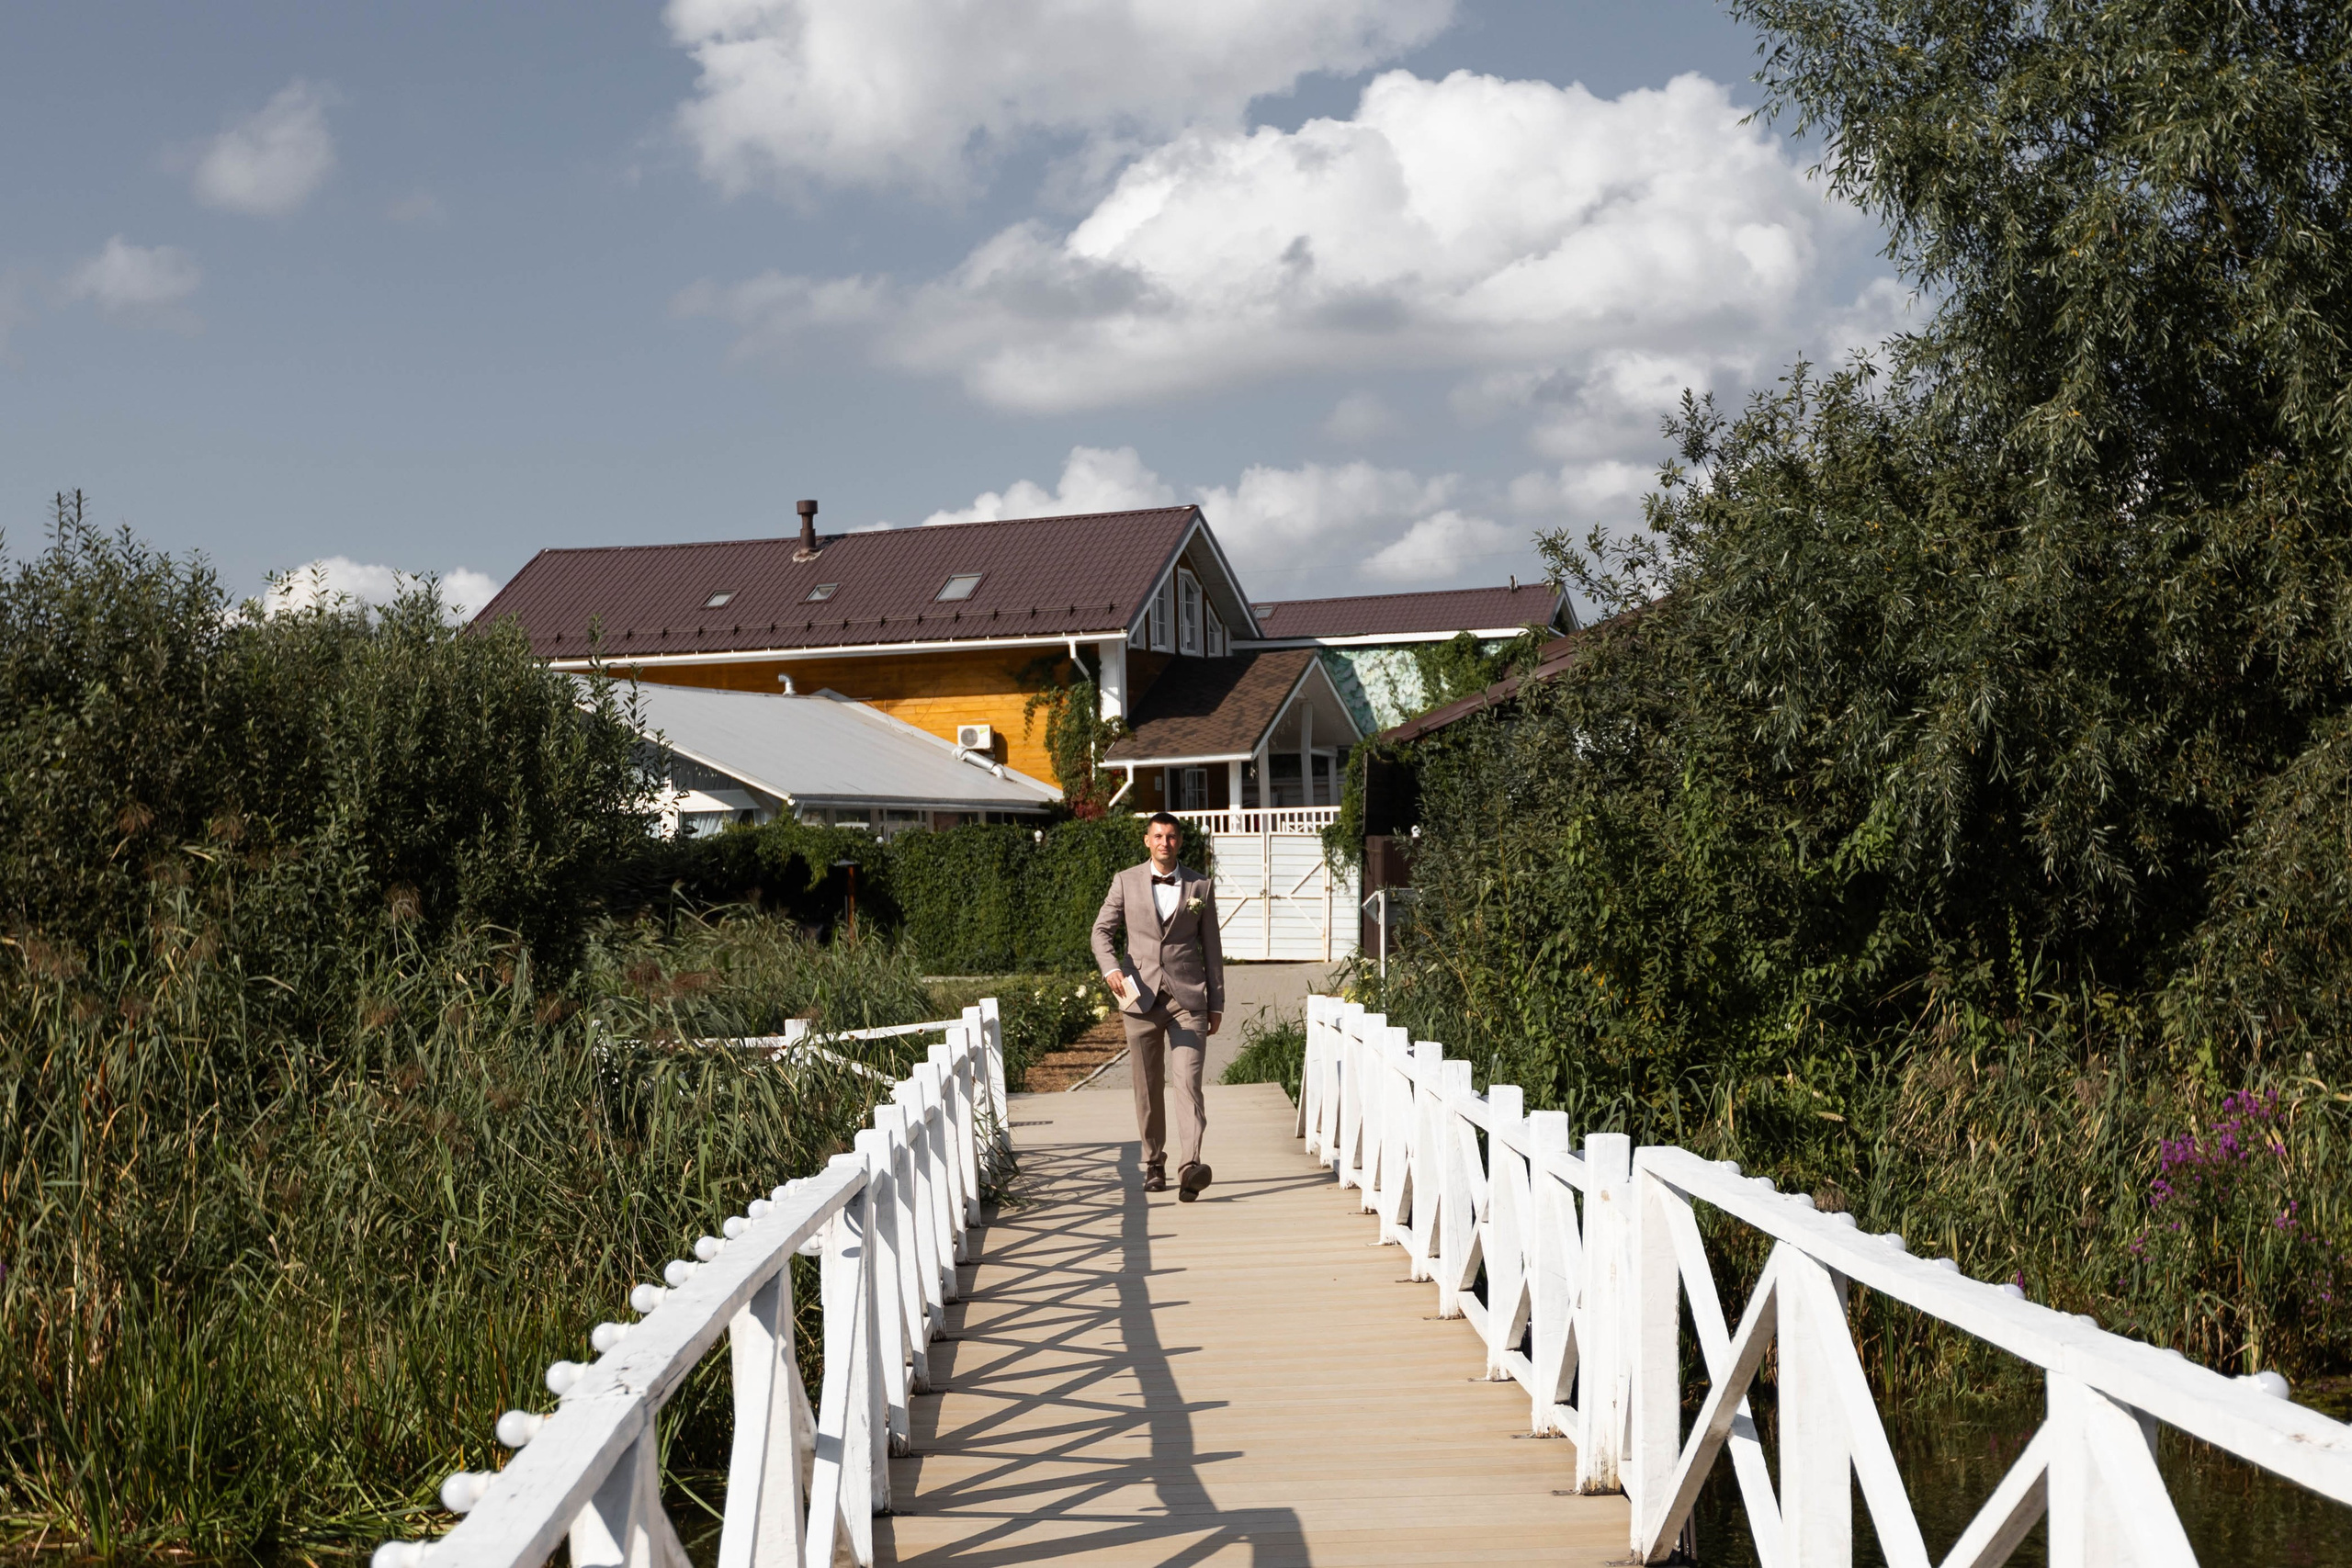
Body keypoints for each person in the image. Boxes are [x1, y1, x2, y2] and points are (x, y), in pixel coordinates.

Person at [1091, 811, 1224, 1199]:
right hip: (1139, 999)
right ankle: (1154, 1161)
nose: (1165, 842)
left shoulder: (1200, 885)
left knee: (1188, 1082)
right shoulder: (1125, 881)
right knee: (1147, 1086)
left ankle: (1190, 1166)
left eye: (1171, 836)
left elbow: (1212, 948)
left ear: (1180, 842)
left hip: (1188, 998)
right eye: (1158, 836)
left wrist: (1216, 1002)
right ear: (1147, 841)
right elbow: (1101, 932)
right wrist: (1110, 969)